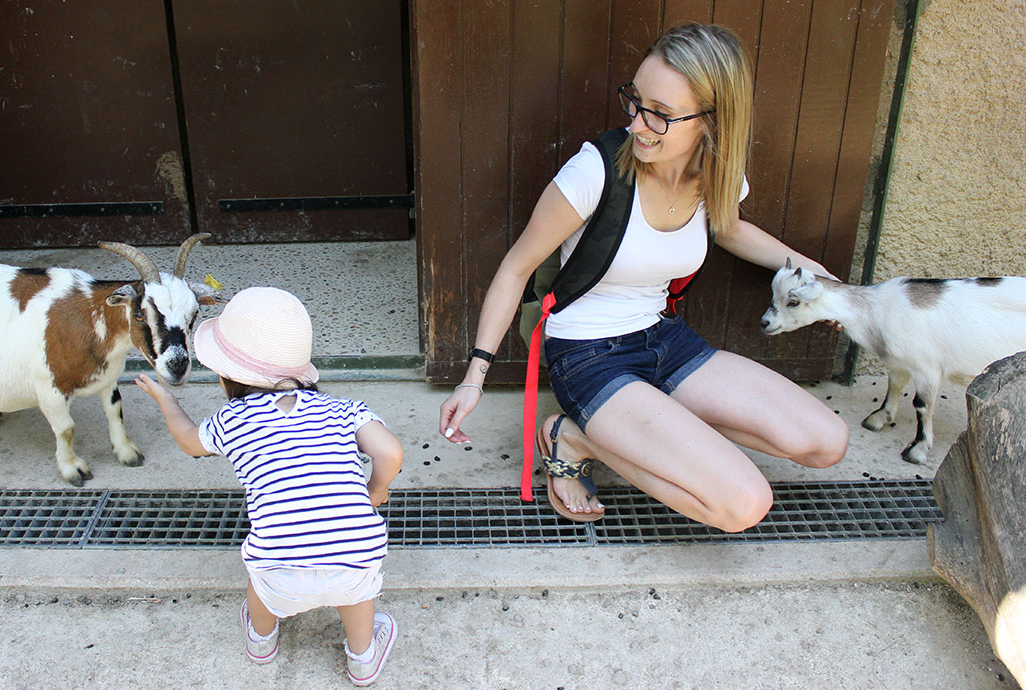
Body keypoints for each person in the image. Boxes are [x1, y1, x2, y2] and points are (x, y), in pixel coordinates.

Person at [438, 23, 848, 530]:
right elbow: (516, 267)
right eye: (635, 101)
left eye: (662, 114)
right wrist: (473, 377)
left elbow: (731, 229)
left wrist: (820, 277)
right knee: (742, 506)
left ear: (712, 122)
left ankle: (636, 428)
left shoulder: (714, 171)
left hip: (663, 338)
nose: (638, 123)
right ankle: (576, 437)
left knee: (827, 443)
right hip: (587, 353)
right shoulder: (595, 171)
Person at [137, 286, 403, 686]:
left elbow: (190, 443)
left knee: (260, 585)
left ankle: (261, 641)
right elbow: (391, 452)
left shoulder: (232, 420)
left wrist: (166, 401)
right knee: (357, 587)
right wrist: (376, 489)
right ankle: (362, 659)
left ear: (227, 376)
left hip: (279, 567)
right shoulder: (341, 409)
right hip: (354, 559)